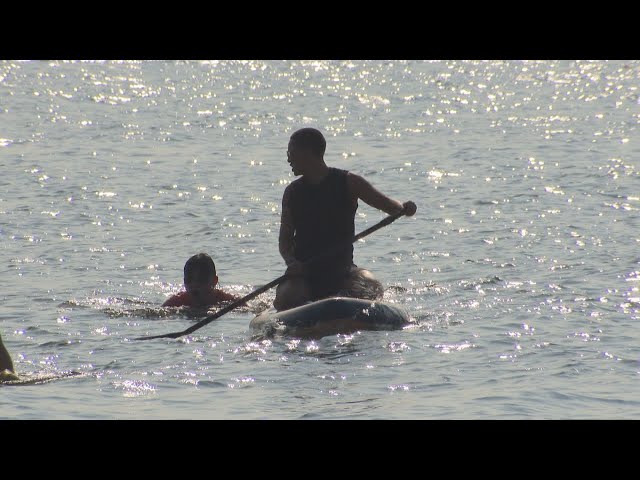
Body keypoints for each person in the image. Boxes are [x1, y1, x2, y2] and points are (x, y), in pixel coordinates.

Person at [274, 127, 417, 311]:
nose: (288, 159)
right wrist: (292, 263)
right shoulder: (292, 192)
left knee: (373, 287)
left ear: (307, 153)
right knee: (288, 298)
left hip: (342, 270)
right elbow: (284, 240)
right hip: (305, 274)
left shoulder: (350, 182)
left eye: (290, 153)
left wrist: (403, 209)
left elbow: (388, 205)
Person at [162, 253, 240, 308]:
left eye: (201, 280)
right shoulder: (178, 302)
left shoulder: (228, 301)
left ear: (215, 281)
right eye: (189, 280)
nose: (194, 285)